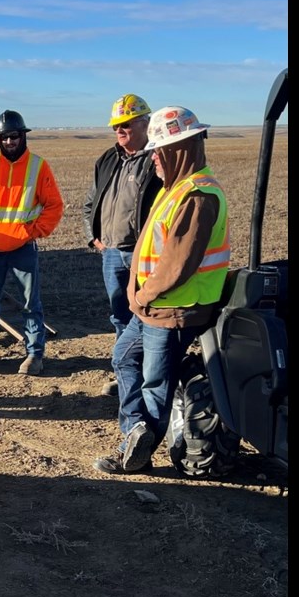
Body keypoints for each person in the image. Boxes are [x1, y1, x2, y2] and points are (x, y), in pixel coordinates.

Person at [93, 106, 229, 475]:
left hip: (174, 309)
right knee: (123, 357)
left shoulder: (197, 195)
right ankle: (136, 429)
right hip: (153, 307)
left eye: (159, 150)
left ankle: (135, 455)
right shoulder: (178, 187)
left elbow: (177, 264)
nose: (153, 157)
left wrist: (141, 295)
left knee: (156, 384)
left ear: (179, 149)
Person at [0, 110, 64, 376]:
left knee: (31, 304)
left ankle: (34, 355)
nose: (9, 142)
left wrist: (35, 231)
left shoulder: (38, 166)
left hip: (22, 248)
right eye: (5, 137)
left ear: (23, 136)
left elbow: (53, 205)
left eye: (14, 137)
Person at [82, 95, 161, 396]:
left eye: (126, 124)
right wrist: (94, 237)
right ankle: (125, 374)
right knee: (120, 315)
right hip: (112, 254)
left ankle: (148, 376)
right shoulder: (107, 159)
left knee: (149, 314)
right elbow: (90, 203)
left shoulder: (157, 158)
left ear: (145, 123)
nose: (120, 130)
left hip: (145, 255)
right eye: (116, 125)